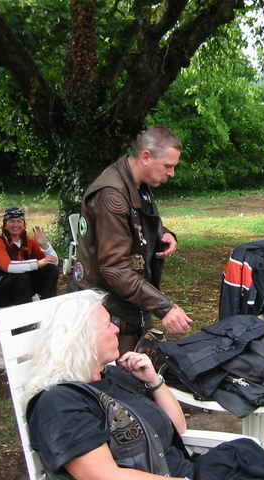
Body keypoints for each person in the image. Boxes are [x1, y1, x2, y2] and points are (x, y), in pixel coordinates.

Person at [25, 291, 264, 480]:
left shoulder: (113, 378)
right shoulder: (60, 403)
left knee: (256, 460)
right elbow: (103, 475)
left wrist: (154, 382)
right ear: (81, 338)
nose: (117, 329)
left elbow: (178, 429)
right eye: (108, 324)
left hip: (190, 470)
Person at [76, 126, 193, 354]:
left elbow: (137, 221)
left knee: (140, 366)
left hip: (131, 303)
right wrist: (165, 308)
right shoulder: (111, 195)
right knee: (120, 372)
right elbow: (115, 269)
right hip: (108, 311)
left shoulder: (139, 184)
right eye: (168, 166)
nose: (172, 173)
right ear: (146, 156)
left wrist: (163, 233)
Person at [0, 207, 58, 307]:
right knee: (21, 276)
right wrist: (37, 264)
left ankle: (48, 306)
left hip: (24, 288)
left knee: (51, 269)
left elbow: (54, 262)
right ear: (5, 224)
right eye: (11, 221)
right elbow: (8, 267)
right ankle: (26, 314)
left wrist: (44, 245)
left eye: (19, 221)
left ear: (24, 225)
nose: (15, 225)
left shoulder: (28, 241)